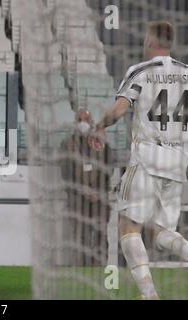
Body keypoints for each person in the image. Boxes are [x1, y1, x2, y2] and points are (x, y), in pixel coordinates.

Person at [90, 21, 188, 299]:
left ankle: (149, 295)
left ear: (150, 40)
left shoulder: (141, 71)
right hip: (178, 162)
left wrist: (99, 126)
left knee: (128, 225)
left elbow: (120, 109)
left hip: (148, 157)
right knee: (159, 230)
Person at [60, 108, 113, 266]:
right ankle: (82, 269)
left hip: (99, 200)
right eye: (80, 120)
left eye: (86, 120)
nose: (83, 124)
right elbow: (66, 172)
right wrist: (82, 189)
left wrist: (97, 191)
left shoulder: (102, 143)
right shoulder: (67, 144)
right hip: (77, 200)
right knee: (80, 237)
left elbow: (108, 168)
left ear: (91, 123)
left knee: (100, 236)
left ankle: (101, 269)